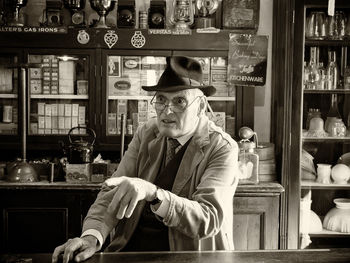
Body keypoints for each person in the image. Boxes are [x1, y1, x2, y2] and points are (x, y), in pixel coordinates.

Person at [52, 56, 239, 263]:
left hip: (189, 256)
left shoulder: (222, 147)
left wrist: (153, 193)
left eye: (179, 101)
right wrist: (91, 236)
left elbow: (208, 218)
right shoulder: (148, 132)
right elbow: (113, 191)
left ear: (201, 105)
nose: (167, 111)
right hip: (133, 251)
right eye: (161, 100)